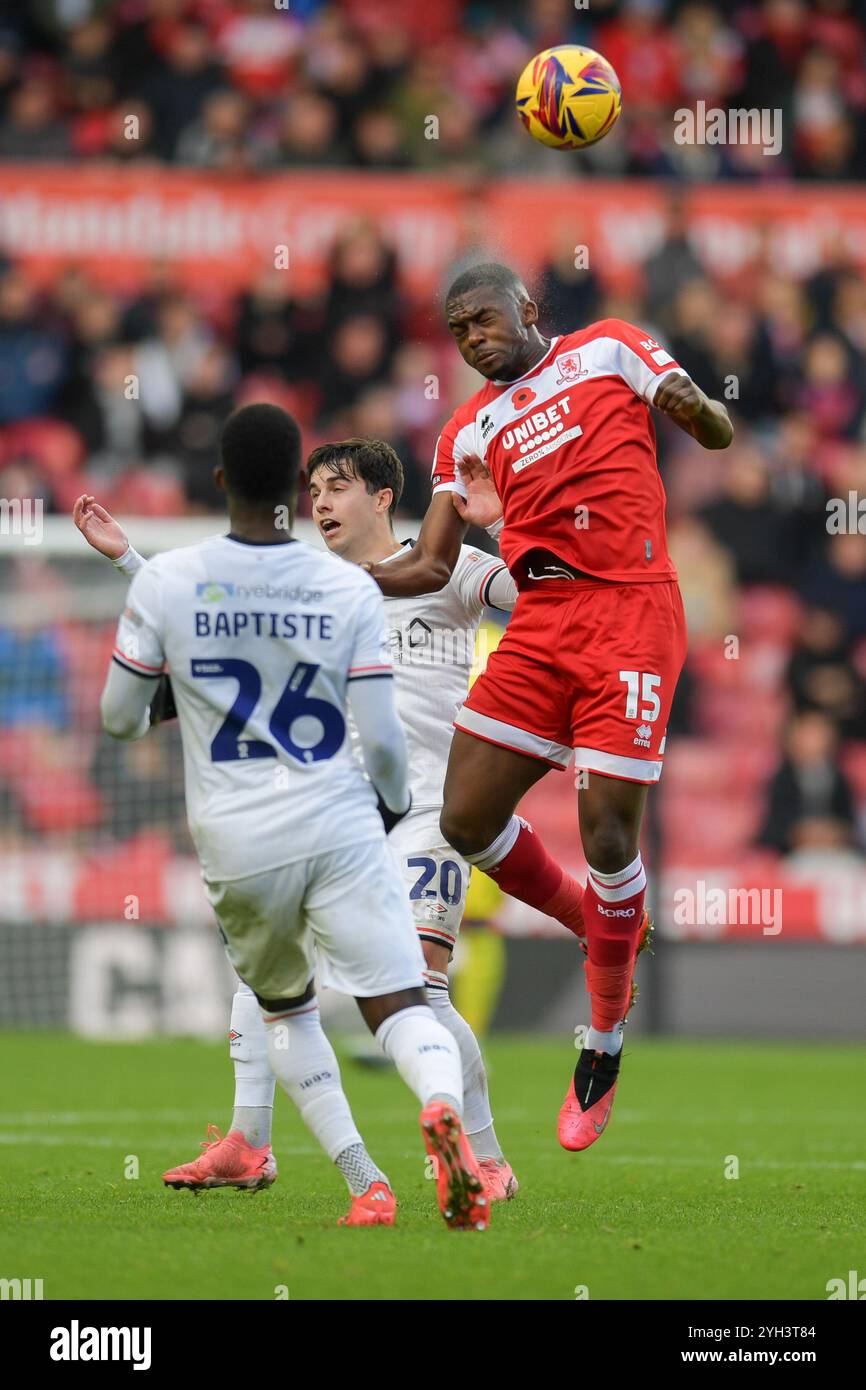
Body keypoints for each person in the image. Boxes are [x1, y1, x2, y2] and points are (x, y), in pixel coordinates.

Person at [75, 435, 520, 1203]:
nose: (319, 502)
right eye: (312, 488)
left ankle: (487, 1159)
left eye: (338, 487)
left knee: (423, 991)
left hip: (423, 813)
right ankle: (249, 1139)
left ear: (384, 498)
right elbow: (211, 633)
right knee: (265, 985)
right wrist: (128, 564)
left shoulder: (455, 570)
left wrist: (506, 526)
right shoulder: (309, 584)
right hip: (334, 813)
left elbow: (550, 596)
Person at [362, 261, 733, 1151]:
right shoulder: (467, 429)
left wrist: (690, 406)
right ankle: (597, 923)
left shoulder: (609, 348)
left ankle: (601, 1043)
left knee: (609, 835)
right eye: (458, 331)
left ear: (527, 308)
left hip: (632, 613)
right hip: (541, 620)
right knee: (462, 816)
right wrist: (326, 576)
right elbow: (429, 564)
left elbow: (712, 428)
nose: (474, 337)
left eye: (484, 318)